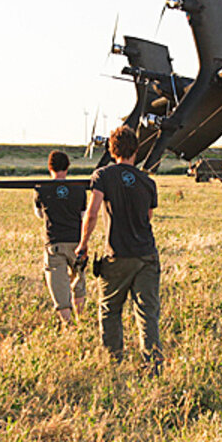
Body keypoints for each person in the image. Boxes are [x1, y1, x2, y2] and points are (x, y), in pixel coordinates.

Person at [77, 126, 162, 369]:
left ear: (112, 151)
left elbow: (92, 213)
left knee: (110, 309)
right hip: (146, 255)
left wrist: (83, 245)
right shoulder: (148, 182)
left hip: (117, 255)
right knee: (147, 313)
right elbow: (148, 217)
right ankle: (152, 364)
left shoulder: (102, 176)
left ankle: (114, 361)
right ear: (136, 150)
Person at [34, 150, 87, 325]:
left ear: (49, 167)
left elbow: (39, 214)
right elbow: (83, 215)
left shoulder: (41, 188)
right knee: (78, 280)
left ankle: (67, 323)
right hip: (76, 241)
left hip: (54, 242)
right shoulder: (79, 188)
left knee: (58, 284)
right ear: (67, 167)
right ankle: (80, 318)